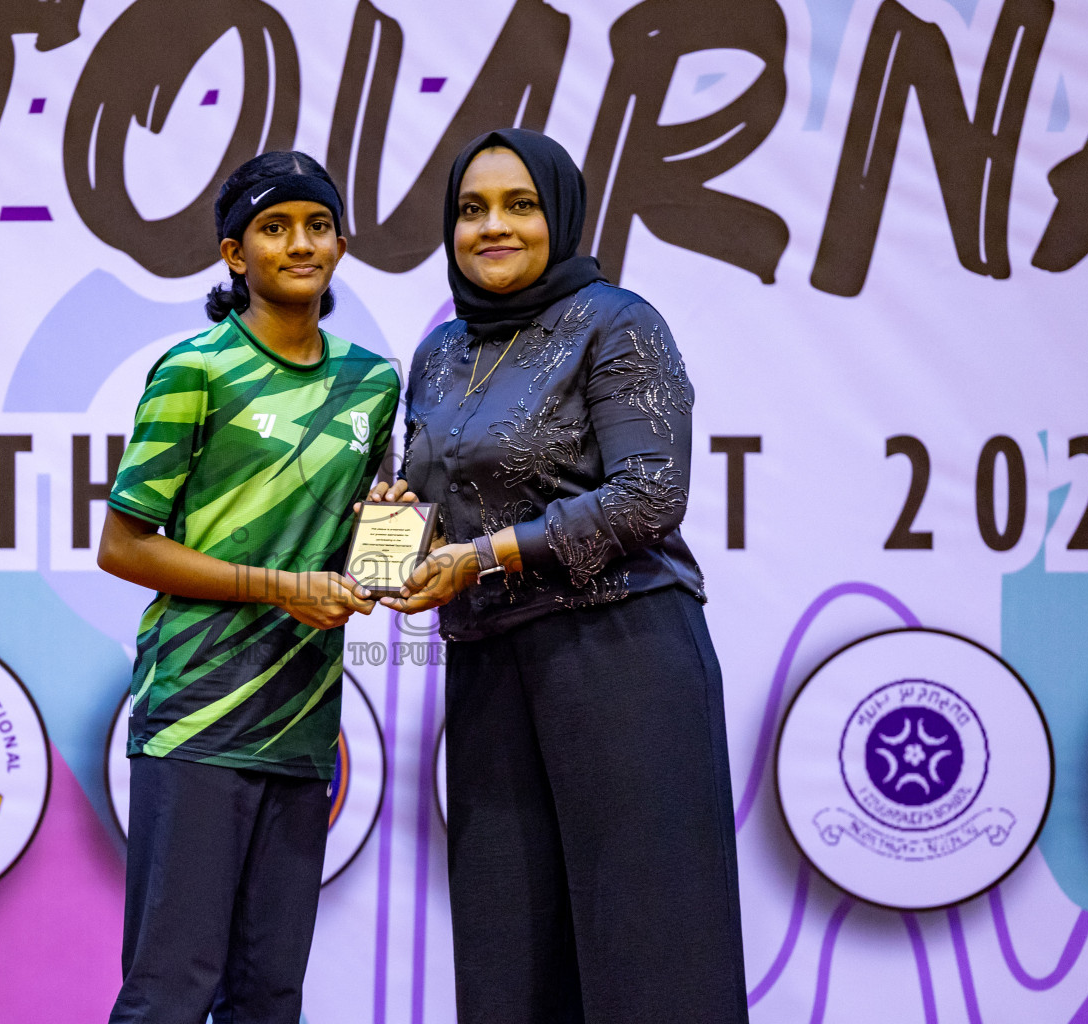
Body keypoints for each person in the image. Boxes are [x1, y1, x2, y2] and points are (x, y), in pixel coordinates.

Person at [373, 129, 749, 1023]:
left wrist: (486, 555)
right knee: (509, 962)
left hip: (619, 656)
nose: (491, 227)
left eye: (518, 205)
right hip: (488, 671)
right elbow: (423, 502)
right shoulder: (440, 355)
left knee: (650, 954)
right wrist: (379, 557)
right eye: (471, 210)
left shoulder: (617, 321)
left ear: (562, 215)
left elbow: (651, 496)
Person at [97, 150, 400, 1024]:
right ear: (236, 255)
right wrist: (275, 587)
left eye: (317, 225)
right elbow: (123, 547)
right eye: (275, 228)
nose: (299, 244)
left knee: (269, 998)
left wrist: (396, 533)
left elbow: (363, 561)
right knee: (169, 993)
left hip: (303, 724)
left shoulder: (372, 383)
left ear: (341, 242)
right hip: (195, 714)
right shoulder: (196, 370)